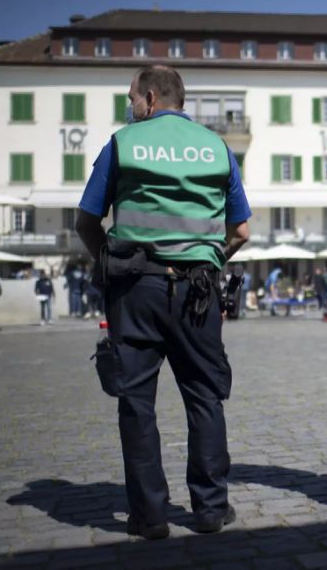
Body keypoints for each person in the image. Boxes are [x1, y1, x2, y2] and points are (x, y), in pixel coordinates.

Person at [75, 65, 250, 539]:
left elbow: (86, 220)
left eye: (131, 98)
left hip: (136, 289)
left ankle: (150, 517)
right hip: (197, 291)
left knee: (137, 403)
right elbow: (241, 231)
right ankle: (211, 509)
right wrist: (210, 261)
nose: (129, 107)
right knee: (205, 398)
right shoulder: (216, 147)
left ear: (150, 98)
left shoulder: (124, 144)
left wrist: (108, 261)